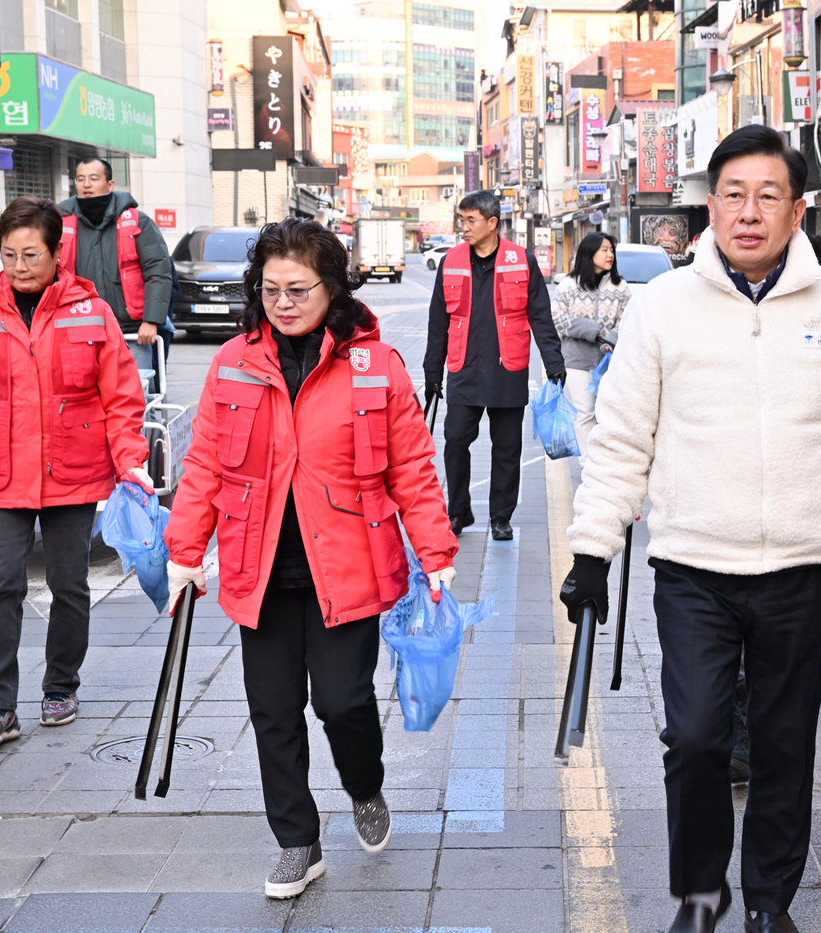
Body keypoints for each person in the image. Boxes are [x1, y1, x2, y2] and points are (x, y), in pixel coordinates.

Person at [557, 125, 821, 933]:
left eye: (768, 196)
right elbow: (621, 437)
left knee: (784, 747)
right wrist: (590, 551)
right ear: (710, 206)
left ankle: (768, 903)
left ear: (797, 208)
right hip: (692, 567)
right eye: (735, 195)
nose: (750, 212)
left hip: (803, 570)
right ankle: (701, 894)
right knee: (699, 739)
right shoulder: (663, 308)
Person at [163, 218, 458, 898]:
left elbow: (412, 467)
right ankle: (297, 839)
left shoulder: (374, 365)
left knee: (343, 700)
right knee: (272, 708)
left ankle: (365, 784)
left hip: (348, 563)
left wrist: (435, 549)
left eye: (298, 288)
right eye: (270, 289)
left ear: (332, 287)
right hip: (257, 568)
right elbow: (204, 462)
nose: (284, 302)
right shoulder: (232, 361)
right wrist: (184, 551)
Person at [0, 197, 150, 744]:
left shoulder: (91, 312)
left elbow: (122, 398)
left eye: (31, 254)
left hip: (73, 470)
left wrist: (131, 462)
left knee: (69, 583)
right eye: (9, 254)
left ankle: (61, 684)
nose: (20, 266)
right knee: (1, 583)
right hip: (1, 473)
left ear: (56, 252)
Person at [423, 190, 566, 541]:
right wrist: (431, 370)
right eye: (462, 220)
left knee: (507, 448)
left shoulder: (522, 260)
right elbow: (437, 321)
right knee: (455, 440)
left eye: (470, 220)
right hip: (464, 370)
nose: (464, 227)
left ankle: (501, 517)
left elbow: (540, 316)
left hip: (508, 369)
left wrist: (554, 362)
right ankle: (458, 512)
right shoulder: (451, 261)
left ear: (492, 223)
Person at [58, 159, 174, 353]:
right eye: (80, 179)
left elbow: (158, 272)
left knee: (137, 383)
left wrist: (151, 320)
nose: (86, 184)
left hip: (132, 332)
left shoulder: (138, 221)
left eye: (94, 178)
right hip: (78, 327)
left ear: (110, 184)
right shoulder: (59, 222)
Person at [551, 233, 631, 457]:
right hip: (576, 360)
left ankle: (606, 460)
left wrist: (612, 339)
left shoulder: (620, 287)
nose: (610, 255)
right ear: (589, 253)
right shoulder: (568, 285)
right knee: (584, 412)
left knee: (607, 414)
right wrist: (587, 330)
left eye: (611, 250)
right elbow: (557, 317)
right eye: (604, 250)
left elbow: (628, 319)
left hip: (610, 361)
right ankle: (588, 465)